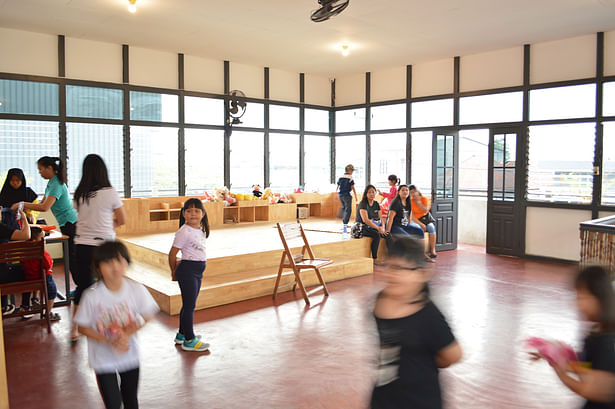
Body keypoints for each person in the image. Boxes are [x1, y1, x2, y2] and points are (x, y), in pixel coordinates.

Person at [370, 236, 462, 409]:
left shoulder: (427, 315)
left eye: (399, 268)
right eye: (388, 266)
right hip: (384, 396)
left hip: (420, 399)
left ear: (421, 274)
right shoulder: (380, 301)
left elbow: (453, 354)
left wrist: (425, 361)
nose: (391, 273)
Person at [75, 241, 159, 409]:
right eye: (107, 262)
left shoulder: (136, 289)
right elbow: (82, 327)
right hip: (102, 359)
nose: (114, 267)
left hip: (129, 356)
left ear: (126, 263)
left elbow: (147, 316)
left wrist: (127, 333)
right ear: (98, 268)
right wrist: (107, 340)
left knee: (131, 400)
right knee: (113, 404)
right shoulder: (91, 296)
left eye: (119, 261)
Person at [72, 154, 126, 342]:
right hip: (104, 245)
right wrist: (108, 226)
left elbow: (83, 217)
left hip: (82, 244)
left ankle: (74, 330)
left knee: (83, 287)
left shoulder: (79, 194)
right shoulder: (110, 192)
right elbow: (122, 220)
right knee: (108, 286)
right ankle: (110, 326)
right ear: (103, 171)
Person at [546, 265, 615, 408]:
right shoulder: (596, 332)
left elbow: (589, 389)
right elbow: (591, 367)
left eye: (582, 297)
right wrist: (558, 356)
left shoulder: (606, 341)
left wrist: (561, 373)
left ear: (599, 297)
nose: (578, 303)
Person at [13, 157, 78, 291]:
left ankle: (81, 288)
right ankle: (81, 287)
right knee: (72, 257)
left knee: (73, 258)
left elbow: (45, 207)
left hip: (72, 223)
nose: (40, 172)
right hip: (67, 223)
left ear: (49, 168)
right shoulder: (51, 183)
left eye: (41, 169)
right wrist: (27, 211)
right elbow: (41, 204)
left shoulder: (56, 185)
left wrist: (22, 204)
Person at [168, 198, 210, 352]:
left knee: (188, 304)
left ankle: (181, 334)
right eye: (189, 211)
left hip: (198, 270)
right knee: (190, 306)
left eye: (197, 211)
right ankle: (189, 340)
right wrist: (174, 271)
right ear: (183, 214)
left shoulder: (200, 230)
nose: (193, 214)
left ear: (203, 214)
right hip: (188, 270)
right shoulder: (184, 231)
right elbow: (172, 254)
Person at [20, 226, 60, 321]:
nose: (44, 240)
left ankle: (25, 307)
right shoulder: (42, 252)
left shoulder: (23, 251)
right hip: (42, 277)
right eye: (42, 238)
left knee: (26, 288)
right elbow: (48, 265)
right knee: (52, 291)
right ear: (35, 241)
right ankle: (48, 313)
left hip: (28, 276)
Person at [0, 209, 30, 314]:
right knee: (25, 271)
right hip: (3, 276)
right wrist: (24, 218)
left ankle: (4, 306)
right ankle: (25, 306)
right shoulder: (1, 228)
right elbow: (26, 235)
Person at [357, 185, 386, 259]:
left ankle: (391, 256)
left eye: (373, 192)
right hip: (362, 227)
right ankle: (374, 258)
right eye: (369, 192)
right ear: (366, 194)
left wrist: (382, 227)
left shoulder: (376, 204)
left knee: (387, 234)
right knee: (376, 235)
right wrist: (378, 228)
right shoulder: (363, 204)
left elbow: (381, 217)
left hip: (373, 226)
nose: (371, 194)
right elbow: (365, 220)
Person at [409, 185, 437, 259]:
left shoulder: (424, 199)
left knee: (431, 227)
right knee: (418, 228)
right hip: (415, 221)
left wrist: (418, 202)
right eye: (411, 192)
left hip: (425, 219)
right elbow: (412, 216)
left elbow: (425, 210)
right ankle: (421, 252)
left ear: (417, 191)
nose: (413, 194)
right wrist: (420, 224)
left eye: (414, 192)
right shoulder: (409, 202)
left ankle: (433, 250)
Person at [336, 164, 358, 228]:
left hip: (340, 195)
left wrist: (336, 194)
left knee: (343, 207)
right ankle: (345, 223)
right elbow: (353, 187)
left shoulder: (340, 177)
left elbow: (337, 186)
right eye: (352, 171)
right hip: (347, 195)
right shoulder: (350, 177)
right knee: (348, 210)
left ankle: (339, 216)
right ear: (350, 170)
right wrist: (356, 196)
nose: (352, 172)